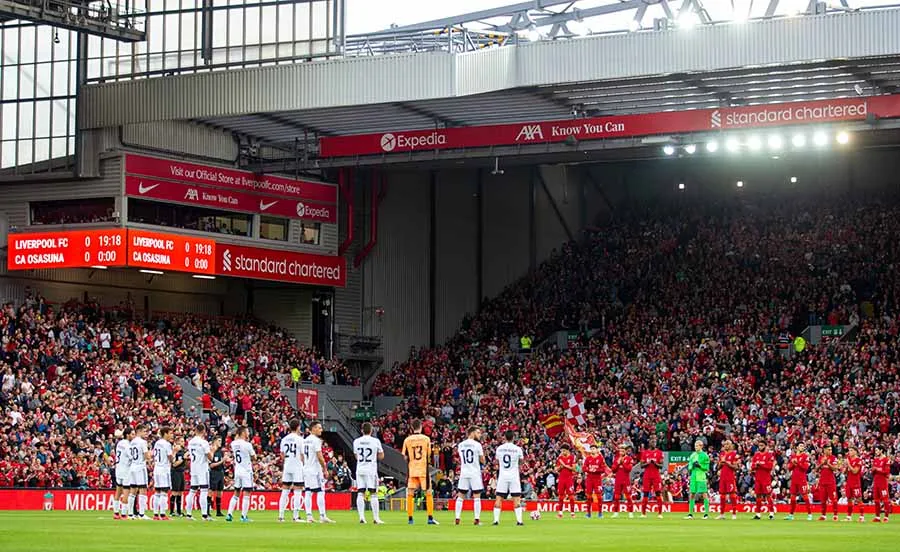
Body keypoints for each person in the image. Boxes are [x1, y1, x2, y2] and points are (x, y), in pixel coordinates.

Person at [400, 419, 437, 525]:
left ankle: (410, 519)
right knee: (428, 492)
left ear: (412, 427)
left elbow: (404, 456)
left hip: (412, 470)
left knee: (410, 494)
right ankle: (430, 518)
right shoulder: (426, 439)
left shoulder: (407, 440)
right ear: (421, 427)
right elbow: (429, 454)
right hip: (423, 469)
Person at [352, 422, 385, 524]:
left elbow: (356, 455)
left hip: (360, 469)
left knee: (360, 493)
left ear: (362, 430)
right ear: (371, 430)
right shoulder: (375, 441)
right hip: (371, 469)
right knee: (373, 493)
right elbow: (381, 456)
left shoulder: (356, 441)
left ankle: (361, 517)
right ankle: (376, 518)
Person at [303, 421, 335, 523]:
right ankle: (322, 515)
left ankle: (309, 515)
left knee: (308, 492)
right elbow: (320, 456)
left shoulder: (306, 440)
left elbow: (302, 456)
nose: (321, 430)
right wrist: (325, 468)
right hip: (315, 470)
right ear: (313, 429)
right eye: (319, 428)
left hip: (306, 469)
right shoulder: (316, 441)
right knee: (320, 491)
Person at [186, 423, 217, 521]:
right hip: (202, 468)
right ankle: (204, 515)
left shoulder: (190, 442)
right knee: (204, 491)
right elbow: (210, 457)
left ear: (195, 430)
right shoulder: (204, 443)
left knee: (192, 491)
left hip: (194, 468)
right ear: (204, 431)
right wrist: (213, 451)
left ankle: (189, 514)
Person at [493, 430, 525, 526]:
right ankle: (519, 521)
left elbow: (497, 461)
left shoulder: (499, 448)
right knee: (516, 499)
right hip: (514, 476)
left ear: (505, 437)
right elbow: (521, 462)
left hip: (503, 476)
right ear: (513, 438)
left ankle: (496, 521)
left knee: (498, 498)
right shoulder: (518, 449)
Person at [454, 426, 486, 525]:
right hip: (474, 472)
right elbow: (482, 460)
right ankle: (477, 519)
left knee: (460, 496)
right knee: (477, 496)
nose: (479, 435)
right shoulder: (477, 445)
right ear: (472, 433)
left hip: (464, 472)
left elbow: (461, 458)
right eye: (478, 432)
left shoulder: (461, 445)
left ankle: (457, 518)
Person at [226, 426, 256, 523]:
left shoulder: (233, 444)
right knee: (246, 493)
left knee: (236, 493)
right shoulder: (247, 445)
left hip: (237, 470)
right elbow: (254, 457)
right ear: (243, 433)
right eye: (247, 431)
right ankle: (243, 516)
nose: (248, 433)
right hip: (246, 470)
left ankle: (229, 514)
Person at [278, 418, 306, 523]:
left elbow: (282, 454)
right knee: (298, 490)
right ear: (298, 427)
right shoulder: (300, 439)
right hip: (297, 466)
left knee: (285, 491)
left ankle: (281, 516)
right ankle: (296, 516)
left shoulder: (284, 439)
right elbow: (303, 455)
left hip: (287, 465)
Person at [127, 424, 152, 520]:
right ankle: (142, 514)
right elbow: (146, 456)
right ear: (139, 431)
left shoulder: (132, 442)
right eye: (144, 431)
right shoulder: (143, 442)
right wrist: (150, 456)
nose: (146, 433)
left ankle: (130, 514)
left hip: (133, 466)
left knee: (133, 490)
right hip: (140, 466)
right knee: (143, 489)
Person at [151, 426, 175, 521]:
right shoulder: (167, 444)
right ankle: (163, 514)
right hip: (164, 469)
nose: (171, 435)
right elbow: (170, 458)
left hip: (157, 468)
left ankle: (156, 514)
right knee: (164, 492)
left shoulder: (157, 443)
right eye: (170, 433)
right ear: (165, 433)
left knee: (157, 492)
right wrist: (175, 453)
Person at [785, 443, 812, 521]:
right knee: (792, 497)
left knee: (805, 496)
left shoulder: (805, 456)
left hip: (802, 479)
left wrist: (798, 463)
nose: (802, 447)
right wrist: (793, 464)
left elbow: (806, 468)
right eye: (800, 446)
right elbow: (789, 468)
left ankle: (810, 514)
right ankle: (791, 515)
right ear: (796, 447)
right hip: (794, 479)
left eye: (803, 446)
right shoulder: (793, 456)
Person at [684, 440, 710, 520]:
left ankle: (706, 514)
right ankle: (690, 514)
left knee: (704, 494)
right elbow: (689, 467)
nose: (696, 447)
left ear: (701, 446)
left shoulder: (705, 456)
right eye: (695, 446)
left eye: (697, 446)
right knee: (692, 494)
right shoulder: (692, 455)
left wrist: (700, 466)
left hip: (701, 476)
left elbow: (707, 468)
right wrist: (692, 466)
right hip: (693, 476)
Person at [640, 437, 664, 519]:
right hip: (647, 476)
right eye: (652, 442)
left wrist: (655, 463)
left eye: (655, 442)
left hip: (656, 476)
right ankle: (643, 513)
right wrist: (648, 463)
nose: (654, 443)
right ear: (649, 442)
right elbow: (641, 465)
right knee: (646, 494)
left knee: (658, 493)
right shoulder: (645, 453)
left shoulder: (659, 453)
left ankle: (660, 513)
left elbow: (661, 466)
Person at [582, 445, 608, 519]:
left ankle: (600, 513)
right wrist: (589, 469)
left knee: (599, 497)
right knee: (588, 497)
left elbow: (603, 469)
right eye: (591, 449)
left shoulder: (600, 458)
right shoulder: (588, 458)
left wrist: (596, 470)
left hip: (597, 479)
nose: (592, 450)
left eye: (593, 449)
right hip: (589, 479)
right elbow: (584, 468)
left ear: (597, 450)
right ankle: (588, 513)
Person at [716, 440, 740, 520]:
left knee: (732, 495)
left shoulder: (734, 454)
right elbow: (718, 468)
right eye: (725, 444)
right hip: (722, 477)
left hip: (730, 477)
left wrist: (727, 463)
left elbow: (736, 467)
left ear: (731, 445)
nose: (726, 445)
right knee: (722, 495)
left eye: (727, 444)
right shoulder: (722, 454)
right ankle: (722, 514)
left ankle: (734, 514)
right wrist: (720, 464)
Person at [113, 427, 134, 520]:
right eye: (132, 434)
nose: (133, 436)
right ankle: (124, 514)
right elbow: (132, 457)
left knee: (118, 492)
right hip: (126, 470)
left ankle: (116, 512)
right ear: (127, 435)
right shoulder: (128, 445)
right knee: (126, 492)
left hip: (118, 469)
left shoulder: (119, 443)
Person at [752, 441, 776, 520]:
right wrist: (755, 466)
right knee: (758, 496)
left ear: (765, 446)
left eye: (762, 445)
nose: (760, 447)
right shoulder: (756, 455)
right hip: (758, 479)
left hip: (766, 479)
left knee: (768, 495)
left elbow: (770, 466)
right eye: (759, 445)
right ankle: (758, 514)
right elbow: (752, 466)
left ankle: (771, 513)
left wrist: (760, 465)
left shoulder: (769, 455)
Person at [816, 445, 840, 521]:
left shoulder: (833, 458)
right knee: (823, 500)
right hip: (822, 482)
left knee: (834, 499)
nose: (830, 451)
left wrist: (828, 464)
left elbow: (835, 468)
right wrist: (822, 464)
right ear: (824, 450)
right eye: (829, 449)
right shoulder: (820, 458)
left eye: (831, 450)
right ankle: (823, 515)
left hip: (830, 482)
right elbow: (816, 469)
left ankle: (835, 515)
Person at [611, 443, 635, 518]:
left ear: (625, 451)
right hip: (618, 480)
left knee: (628, 497)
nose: (621, 453)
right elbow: (613, 470)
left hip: (626, 480)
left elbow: (629, 469)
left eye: (622, 451)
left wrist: (622, 463)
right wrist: (618, 464)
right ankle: (616, 512)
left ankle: (630, 512)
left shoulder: (629, 459)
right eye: (620, 451)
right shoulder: (616, 458)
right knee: (616, 497)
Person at [556, 444, 577, 518]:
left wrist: (565, 466)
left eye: (564, 451)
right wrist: (561, 467)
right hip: (561, 478)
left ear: (567, 450)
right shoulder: (560, 458)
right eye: (561, 451)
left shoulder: (572, 457)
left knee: (571, 496)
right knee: (561, 496)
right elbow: (556, 469)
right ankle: (560, 513)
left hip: (569, 478)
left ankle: (572, 513)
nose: (562, 452)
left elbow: (574, 469)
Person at [843, 446, 864, 522]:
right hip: (849, 482)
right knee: (849, 499)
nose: (849, 452)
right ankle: (849, 516)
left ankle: (862, 516)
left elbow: (855, 471)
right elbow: (845, 472)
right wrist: (845, 467)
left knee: (859, 499)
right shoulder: (848, 459)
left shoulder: (858, 460)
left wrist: (848, 464)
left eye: (851, 450)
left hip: (855, 482)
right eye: (849, 451)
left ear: (855, 451)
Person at [872, 445, 891, 523]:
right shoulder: (875, 460)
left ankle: (886, 517)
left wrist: (877, 469)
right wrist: (874, 470)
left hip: (883, 482)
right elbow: (873, 471)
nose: (876, 452)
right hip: (876, 481)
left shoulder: (886, 460)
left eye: (877, 450)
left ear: (881, 450)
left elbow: (886, 472)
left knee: (885, 499)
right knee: (876, 500)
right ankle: (877, 517)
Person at [169, 435, 187, 517]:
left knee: (180, 492)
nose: (183, 443)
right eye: (181, 441)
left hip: (181, 472)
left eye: (184, 441)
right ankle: (172, 511)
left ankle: (179, 511)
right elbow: (175, 464)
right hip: (175, 472)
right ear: (177, 442)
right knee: (175, 492)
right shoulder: (177, 452)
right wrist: (183, 458)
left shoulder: (183, 451)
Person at [208, 436, 226, 516]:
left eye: (221, 441)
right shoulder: (212, 451)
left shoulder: (220, 451)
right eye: (219, 441)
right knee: (211, 491)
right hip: (214, 473)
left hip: (220, 472)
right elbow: (211, 465)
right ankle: (207, 511)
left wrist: (225, 461)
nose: (220, 442)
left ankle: (218, 511)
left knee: (219, 492)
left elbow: (222, 462)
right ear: (214, 441)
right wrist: (222, 461)